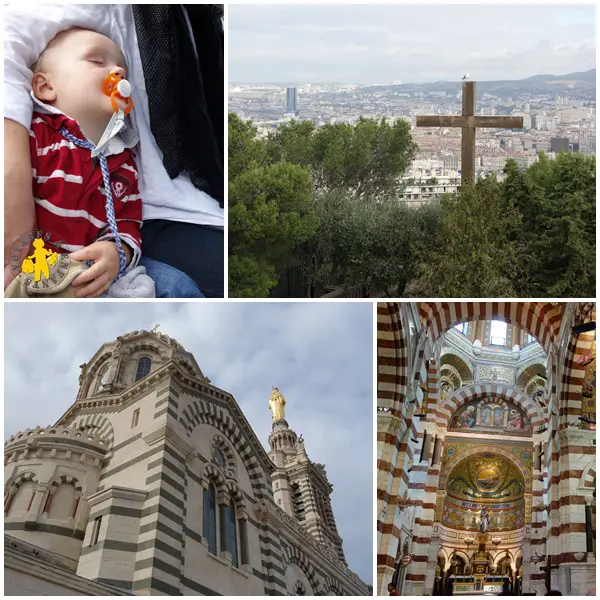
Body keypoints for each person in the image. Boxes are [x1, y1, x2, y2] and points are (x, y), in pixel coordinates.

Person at [4, 4, 224, 297]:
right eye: (97, 61)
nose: (118, 71)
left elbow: (127, 222)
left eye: (123, 69)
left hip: (99, 274)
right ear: (44, 87)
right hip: (38, 269)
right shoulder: (36, 141)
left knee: (178, 287)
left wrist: (116, 250)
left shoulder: (123, 159)